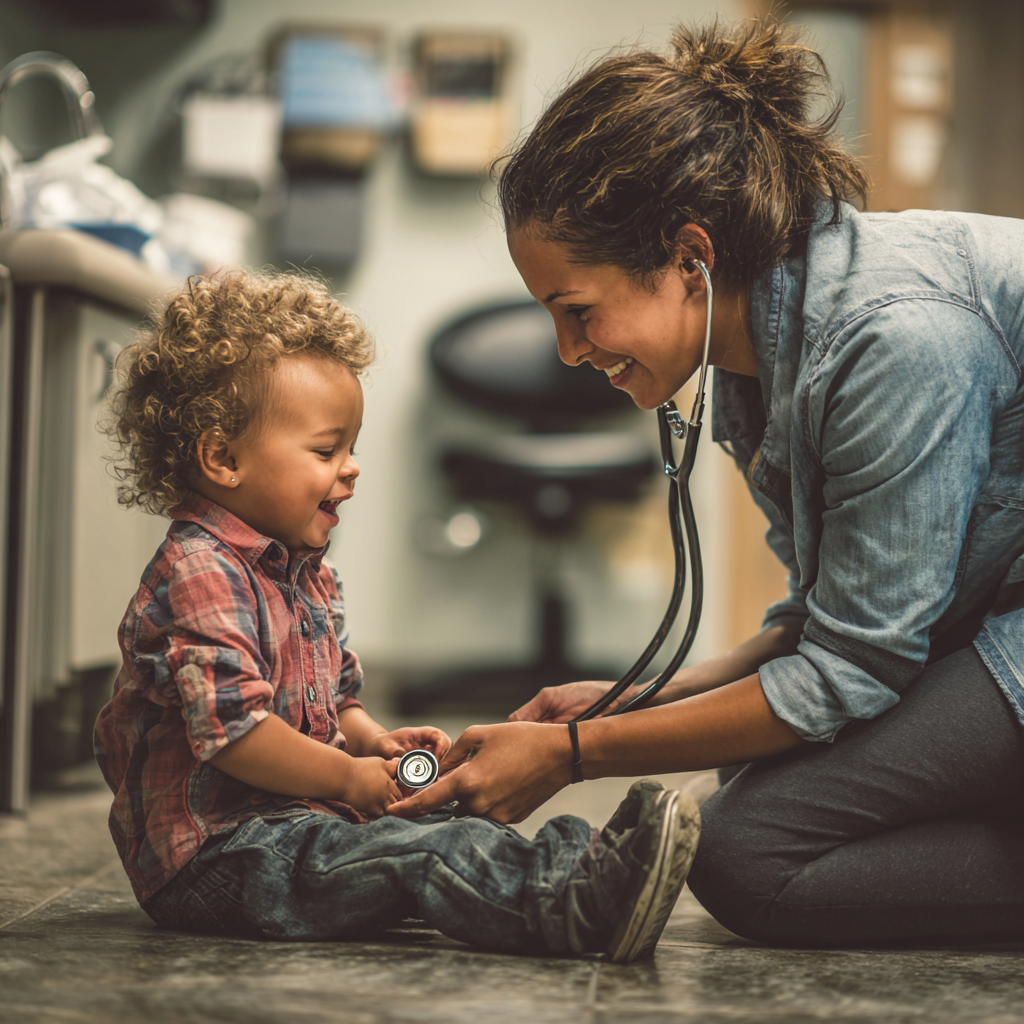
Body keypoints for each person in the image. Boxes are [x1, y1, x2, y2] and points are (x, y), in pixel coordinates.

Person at [389, 19, 1024, 947]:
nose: (569, 353)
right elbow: (827, 620)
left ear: (691, 258)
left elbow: (852, 672)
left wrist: (573, 753)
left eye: (579, 311)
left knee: (748, 852)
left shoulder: (893, 339)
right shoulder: (752, 372)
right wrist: (638, 699)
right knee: (745, 777)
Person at [92, 269, 700, 960]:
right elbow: (236, 736)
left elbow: (335, 703)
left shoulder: (301, 571)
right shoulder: (199, 574)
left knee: (438, 813)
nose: (350, 469)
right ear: (223, 457)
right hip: (217, 857)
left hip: (289, 823)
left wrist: (371, 743)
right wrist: (348, 779)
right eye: (327, 451)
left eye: (351, 448)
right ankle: (580, 908)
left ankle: (583, 866)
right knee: (421, 856)